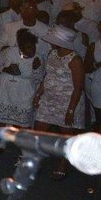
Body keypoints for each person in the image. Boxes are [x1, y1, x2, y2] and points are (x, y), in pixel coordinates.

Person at [33, 25, 87, 180]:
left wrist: (70, 110)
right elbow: (47, 76)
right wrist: (38, 94)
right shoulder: (52, 54)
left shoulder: (74, 60)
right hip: (49, 99)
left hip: (68, 102)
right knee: (39, 131)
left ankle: (62, 165)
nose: (50, 43)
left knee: (66, 135)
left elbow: (78, 87)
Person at [0, 29, 44, 164]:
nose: (32, 50)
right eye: (28, 47)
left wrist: (36, 69)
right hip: (4, 92)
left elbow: (39, 80)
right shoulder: (9, 52)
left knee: (22, 126)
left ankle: (22, 155)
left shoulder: (39, 58)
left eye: (34, 46)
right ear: (20, 46)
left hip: (24, 94)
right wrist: (5, 69)